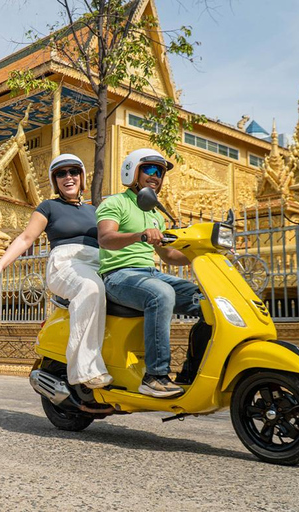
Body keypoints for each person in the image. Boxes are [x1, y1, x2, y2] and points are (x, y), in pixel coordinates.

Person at [0, 154, 111, 389]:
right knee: (91, 288)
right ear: (55, 181)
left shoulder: (95, 210)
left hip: (97, 263)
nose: (68, 177)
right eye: (61, 174)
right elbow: (26, 237)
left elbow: (110, 240)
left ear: (82, 177)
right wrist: (0, 265)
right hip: (67, 265)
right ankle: (83, 369)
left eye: (73, 171)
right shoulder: (49, 207)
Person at [96, 148, 201, 398]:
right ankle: (155, 376)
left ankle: (191, 372)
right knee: (161, 294)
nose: (156, 176)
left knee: (206, 299)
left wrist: (202, 253)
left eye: (160, 172)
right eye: (150, 170)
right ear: (133, 172)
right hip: (119, 276)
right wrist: (138, 235)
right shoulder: (115, 203)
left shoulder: (155, 215)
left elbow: (169, 256)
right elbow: (105, 238)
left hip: (150, 274)